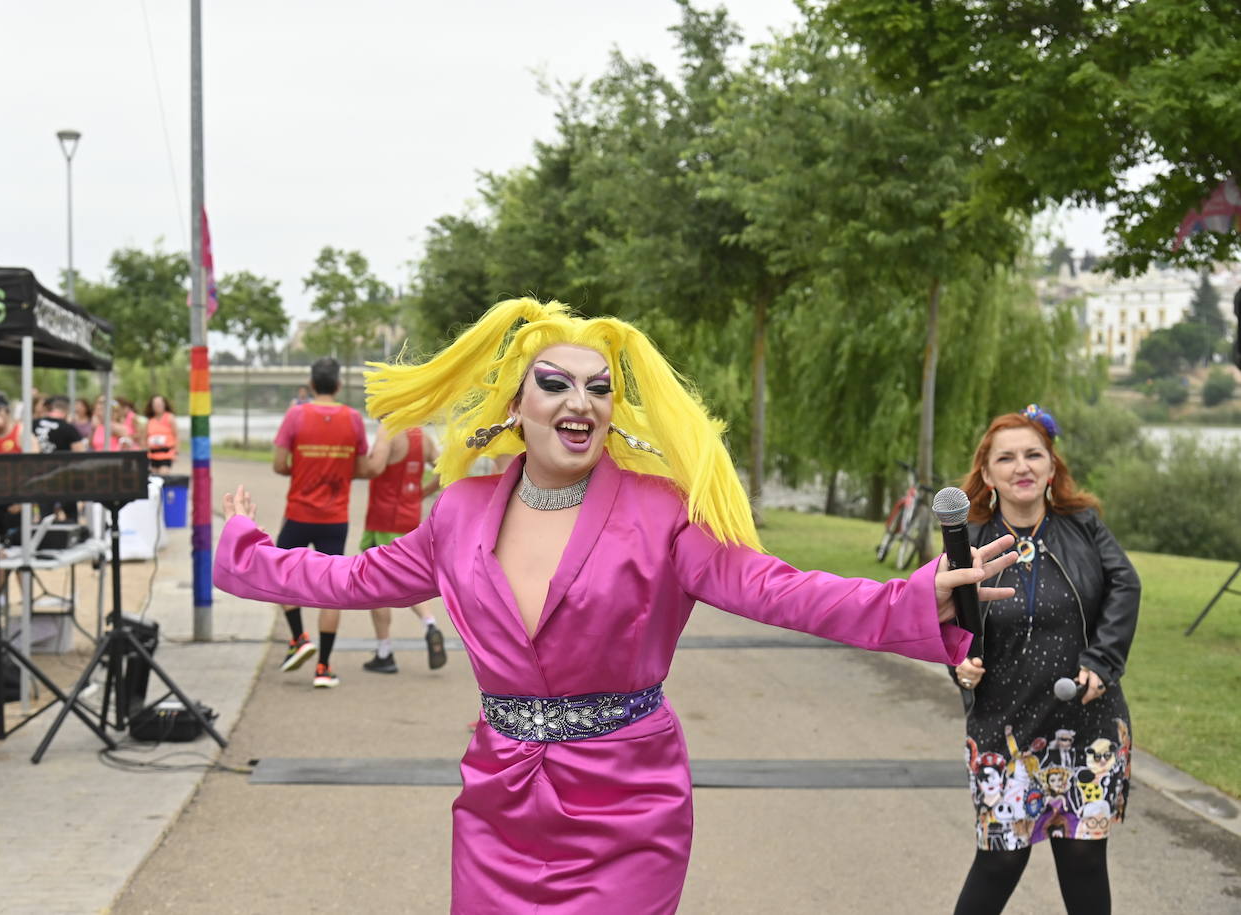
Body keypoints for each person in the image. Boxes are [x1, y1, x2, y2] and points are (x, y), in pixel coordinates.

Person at [215, 298, 1017, 912]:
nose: (582, 402)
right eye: (556, 384)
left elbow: (772, 588)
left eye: (600, 388)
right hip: (499, 802)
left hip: (628, 801)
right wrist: (245, 545)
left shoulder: (658, 508)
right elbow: (348, 581)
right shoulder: (457, 513)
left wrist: (912, 599)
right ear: (513, 405)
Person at [949, 405, 1139, 915]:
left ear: (1051, 467)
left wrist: (1102, 661)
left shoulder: (1084, 526)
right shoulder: (966, 541)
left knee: (1082, 858)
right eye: (1006, 458)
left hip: (1088, 722)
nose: (1022, 466)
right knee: (999, 861)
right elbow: (947, 618)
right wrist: (958, 662)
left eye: (1034, 454)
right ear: (987, 474)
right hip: (1003, 727)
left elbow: (1125, 584)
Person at [270, 357, 377, 688]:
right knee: (331, 589)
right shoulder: (354, 419)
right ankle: (323, 668)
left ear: (312, 384)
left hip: (299, 513)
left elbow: (278, 464)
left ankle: (299, 637)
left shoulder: (296, 415)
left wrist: (301, 470)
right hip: (335, 518)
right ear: (340, 385)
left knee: (281, 574)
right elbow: (361, 468)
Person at [358, 425, 447, 674]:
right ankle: (430, 623)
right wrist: (421, 493)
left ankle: (384, 651)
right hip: (409, 516)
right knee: (406, 576)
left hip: (383, 518)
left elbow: (375, 468)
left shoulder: (389, 431)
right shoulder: (422, 436)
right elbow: (444, 470)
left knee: (374, 582)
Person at [33, 395, 86, 521]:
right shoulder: (68, 428)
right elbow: (81, 455)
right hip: (64, 478)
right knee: (70, 516)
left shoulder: (33, 424)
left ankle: (44, 538)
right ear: (66, 411)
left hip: (39, 476)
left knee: (44, 516)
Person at [144, 394, 178, 472]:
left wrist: (176, 452)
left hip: (166, 454)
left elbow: (176, 435)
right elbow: (145, 437)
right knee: (154, 478)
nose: (157, 407)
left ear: (164, 405)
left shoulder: (170, 418)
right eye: (155, 405)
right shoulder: (150, 420)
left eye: (159, 405)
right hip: (152, 455)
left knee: (163, 475)